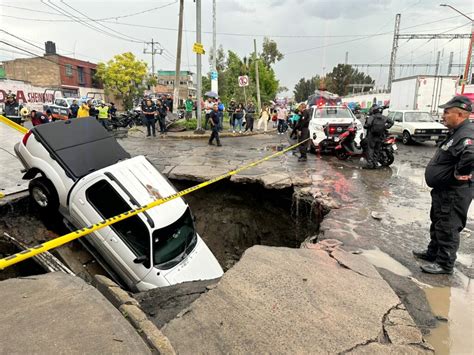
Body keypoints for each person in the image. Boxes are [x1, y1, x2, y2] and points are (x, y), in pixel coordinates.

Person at [413, 96, 474, 275]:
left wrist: (457, 174)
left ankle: (445, 264)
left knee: (448, 225)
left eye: (447, 112)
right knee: (438, 221)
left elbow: (470, 154)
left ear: (460, 114)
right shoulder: (456, 132)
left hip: (455, 192)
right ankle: (433, 253)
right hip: (444, 191)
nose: (443, 115)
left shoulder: (467, 133)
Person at [363, 105, 392, 169]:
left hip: (372, 136)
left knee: (370, 150)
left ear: (373, 111)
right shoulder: (384, 117)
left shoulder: (372, 117)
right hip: (380, 136)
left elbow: (368, 125)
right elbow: (392, 122)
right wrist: (385, 127)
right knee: (377, 150)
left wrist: (366, 126)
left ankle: (370, 165)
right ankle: (375, 164)